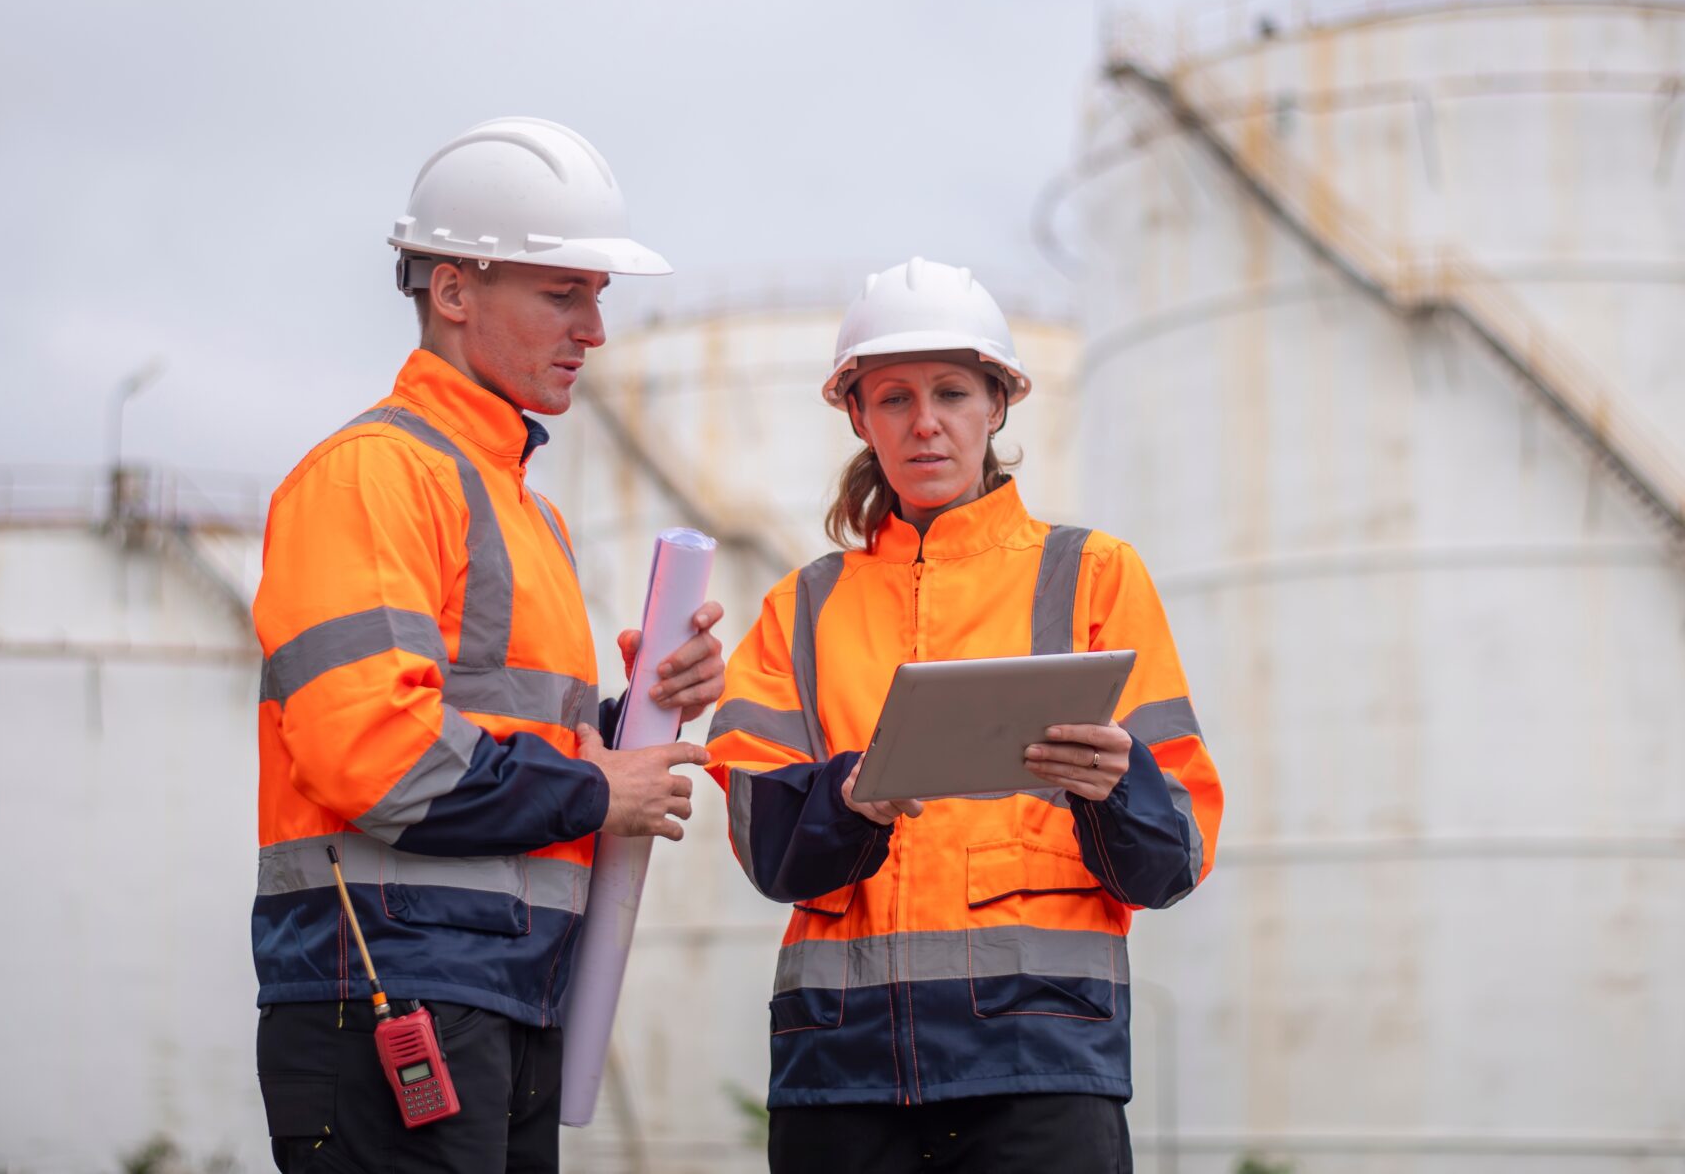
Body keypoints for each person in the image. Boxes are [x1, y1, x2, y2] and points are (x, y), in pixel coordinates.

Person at [251, 117, 727, 1174]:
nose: (594, 329)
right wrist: (604, 785)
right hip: (389, 987)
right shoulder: (372, 475)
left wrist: (641, 717)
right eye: (565, 293)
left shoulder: (526, 509)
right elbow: (376, 752)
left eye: (598, 295)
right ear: (454, 292)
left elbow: (507, 732)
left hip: (502, 994)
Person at [705, 257, 1223, 1174]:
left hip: (1042, 1067)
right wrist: (845, 798)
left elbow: (1174, 852)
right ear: (858, 417)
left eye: (952, 391)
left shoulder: (1095, 575)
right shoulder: (803, 608)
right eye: (894, 398)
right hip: (844, 1073)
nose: (925, 422)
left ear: (997, 405)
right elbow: (763, 841)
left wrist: (1119, 785)